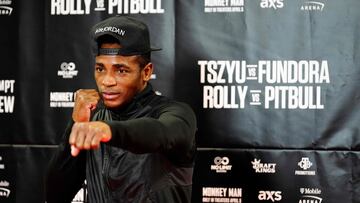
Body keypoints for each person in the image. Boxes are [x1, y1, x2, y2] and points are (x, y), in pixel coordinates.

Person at [45, 16, 197, 203]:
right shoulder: (93, 118)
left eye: (121, 70)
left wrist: (108, 130)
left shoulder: (175, 113)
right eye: (100, 69)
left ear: (146, 72)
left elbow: (161, 132)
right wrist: (76, 124)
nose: (106, 81)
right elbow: (56, 195)